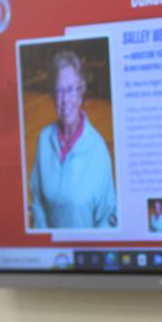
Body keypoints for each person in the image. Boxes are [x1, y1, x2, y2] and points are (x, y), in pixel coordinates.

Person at [30, 50, 117, 229]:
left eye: (70, 90)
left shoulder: (98, 149)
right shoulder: (43, 139)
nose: (64, 100)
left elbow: (108, 216)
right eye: (59, 91)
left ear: (81, 92)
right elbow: (37, 200)